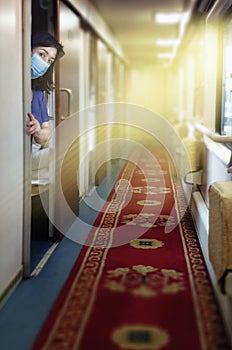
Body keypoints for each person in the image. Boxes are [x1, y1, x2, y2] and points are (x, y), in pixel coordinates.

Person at [27, 32, 65, 180]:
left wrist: (37, 131)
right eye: (42, 54)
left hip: (30, 151)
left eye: (49, 61)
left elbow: (46, 135)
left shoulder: (38, 93)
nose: (44, 63)